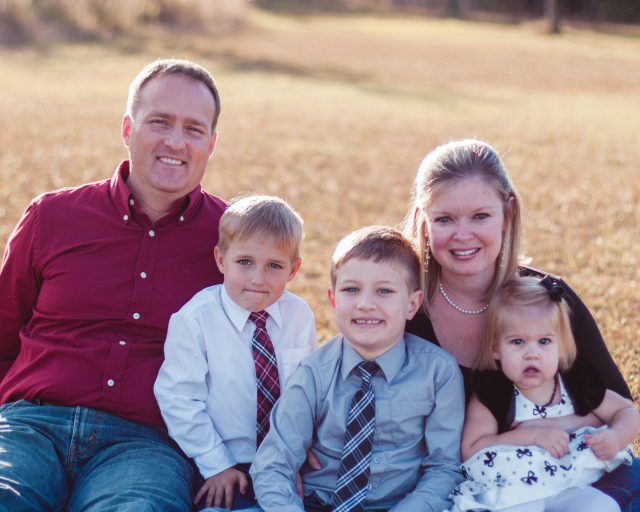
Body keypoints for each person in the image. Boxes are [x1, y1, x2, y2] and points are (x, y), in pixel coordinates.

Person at [0, 58, 227, 511]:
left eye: (193, 129)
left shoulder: (232, 238)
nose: (175, 142)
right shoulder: (52, 217)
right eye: (159, 122)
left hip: (146, 444)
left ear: (211, 143)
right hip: (30, 425)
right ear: (127, 128)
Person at [403, 138, 640, 511]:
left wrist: (546, 431)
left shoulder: (545, 300)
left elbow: (615, 405)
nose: (463, 234)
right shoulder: (405, 308)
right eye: (445, 219)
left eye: (481, 216)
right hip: (468, 487)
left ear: (508, 212)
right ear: (423, 220)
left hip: (572, 473)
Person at [251, 225, 465, 512]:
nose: (365, 304)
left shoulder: (438, 372)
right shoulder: (315, 372)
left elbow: (443, 469)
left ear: (412, 304)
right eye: (351, 290)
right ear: (333, 299)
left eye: (384, 291)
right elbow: (273, 463)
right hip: (318, 504)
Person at [154, 194, 317, 511]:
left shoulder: (299, 315)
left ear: (293, 269)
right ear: (220, 260)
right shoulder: (196, 319)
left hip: (284, 457)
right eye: (245, 262)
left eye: (274, 266)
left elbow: (307, 391)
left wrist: (297, 451)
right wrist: (216, 464)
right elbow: (179, 399)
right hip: (221, 461)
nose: (258, 278)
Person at [449, 275, 639, 512]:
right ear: (495, 349)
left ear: (561, 346)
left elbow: (626, 411)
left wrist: (617, 436)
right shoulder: (493, 392)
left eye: (544, 341)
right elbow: (472, 449)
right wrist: (533, 436)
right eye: (518, 341)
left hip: (576, 484)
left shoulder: (576, 380)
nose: (532, 353)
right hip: (515, 492)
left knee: (601, 506)